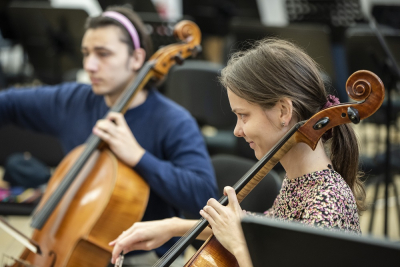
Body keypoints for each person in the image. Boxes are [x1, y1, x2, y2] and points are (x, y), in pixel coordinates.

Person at [109, 38, 365, 267]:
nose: (237, 131)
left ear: (283, 112)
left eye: (243, 115)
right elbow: (265, 231)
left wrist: (239, 246)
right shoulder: (300, 181)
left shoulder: (328, 201)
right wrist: (172, 227)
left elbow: (248, 239)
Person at [0, 6, 218, 266]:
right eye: (86, 53)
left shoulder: (173, 121)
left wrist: (139, 157)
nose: (89, 65)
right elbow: (8, 104)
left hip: (141, 259)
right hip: (65, 248)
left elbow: (203, 196)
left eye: (103, 54)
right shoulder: (74, 100)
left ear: (136, 58)